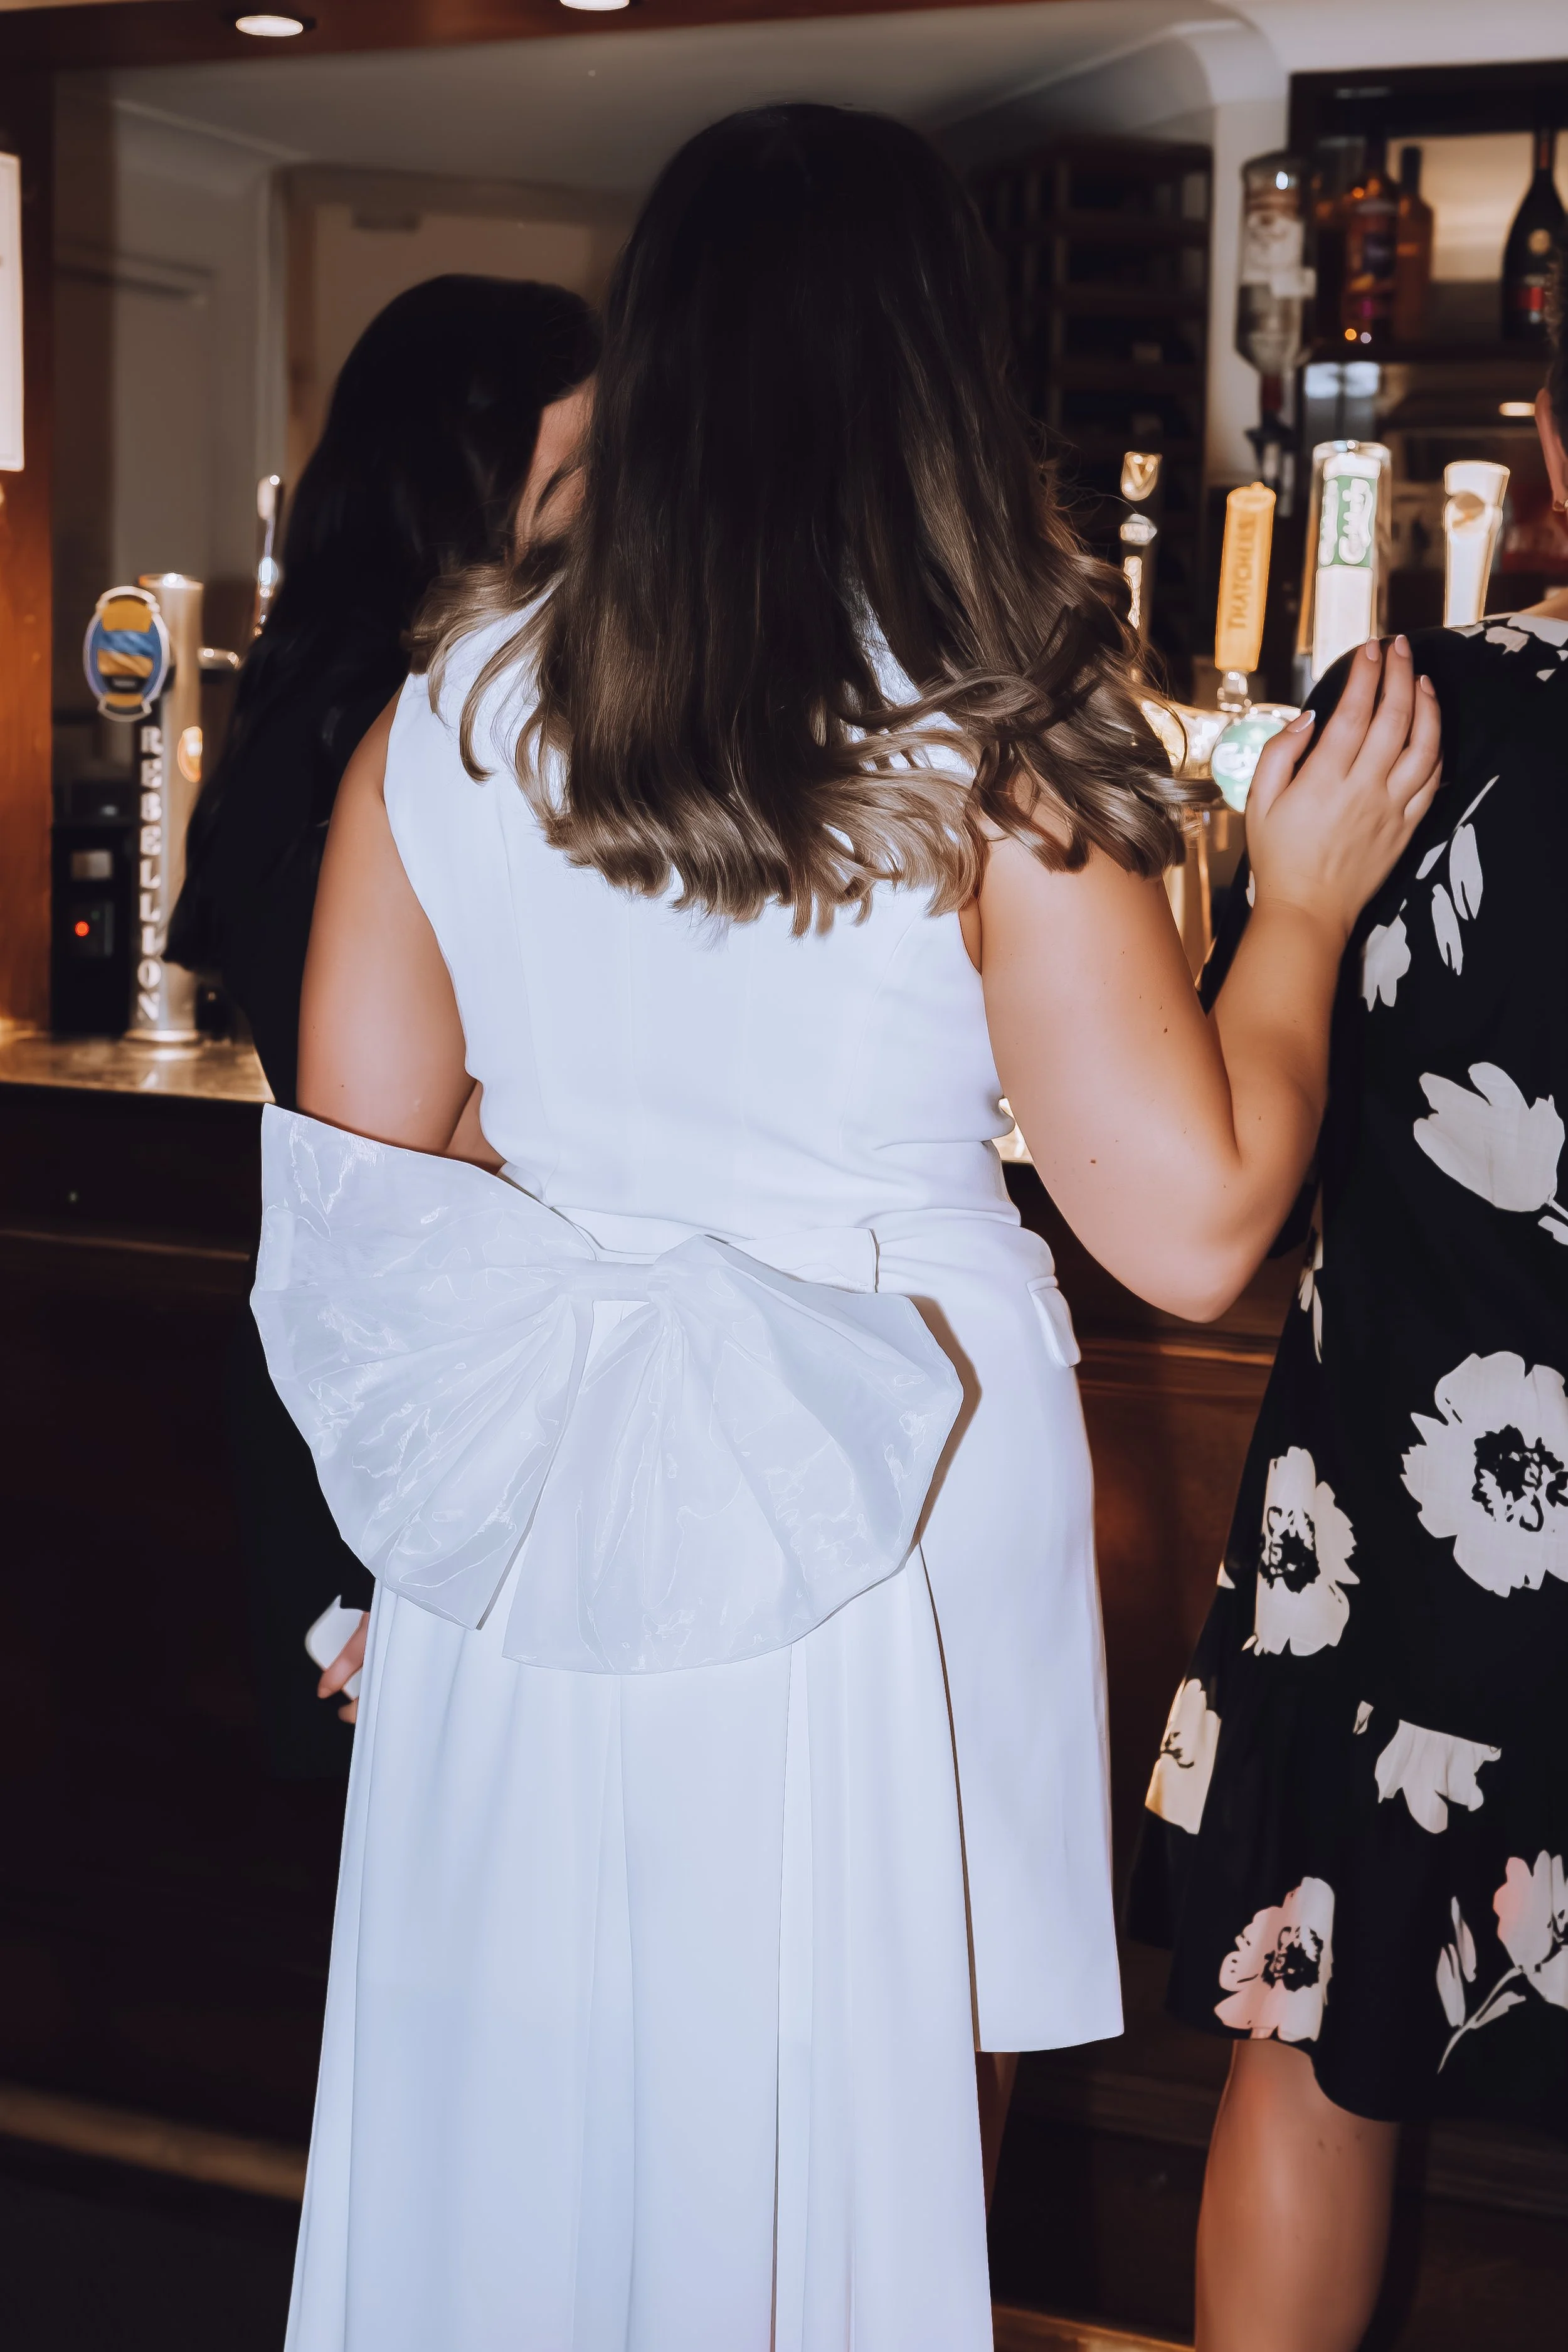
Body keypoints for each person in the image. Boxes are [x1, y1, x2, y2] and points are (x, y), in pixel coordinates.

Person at [260, 107, 1439, 2349]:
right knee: (865, 2155)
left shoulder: (446, 715)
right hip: (903, 1481)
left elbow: (366, 1188)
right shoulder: (995, 727)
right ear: (935, 370)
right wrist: (1296, 913)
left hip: (552, 1506)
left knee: (546, 2129)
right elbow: (1193, 1225)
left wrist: (588, 1120)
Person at [1127, 293, 1568, 2352]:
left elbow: (1245, 1102)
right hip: (1418, 1529)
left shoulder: (1407, 715)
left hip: (1403, 1544)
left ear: (1552, 442)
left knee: (1317, 2040)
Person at [167, 275, 599, 1774]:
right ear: (463, 480)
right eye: (575, 477)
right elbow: (392, 1151)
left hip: (393, 1346)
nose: (610, 518)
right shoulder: (393, 725)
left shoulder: (343, 694)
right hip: (392, 1373)